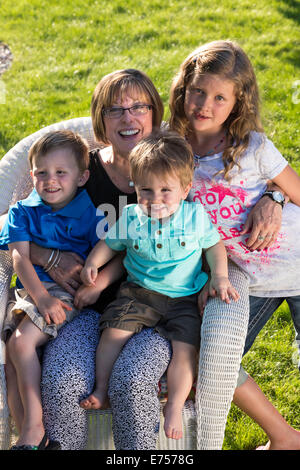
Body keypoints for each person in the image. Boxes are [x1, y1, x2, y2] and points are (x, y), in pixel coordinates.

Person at [0, 68, 293, 450]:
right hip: (84, 310)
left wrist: (275, 195)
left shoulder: (174, 164)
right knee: (62, 381)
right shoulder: (78, 172)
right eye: (114, 109)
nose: (128, 117)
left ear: (155, 114)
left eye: (139, 106)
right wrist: (49, 255)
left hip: (164, 305)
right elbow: (17, 218)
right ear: (100, 118)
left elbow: (246, 175)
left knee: (134, 380)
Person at [169, 39, 300, 450]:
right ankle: (285, 437)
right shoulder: (173, 151)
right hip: (247, 278)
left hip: (296, 265)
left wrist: (274, 196)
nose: (205, 104)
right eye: (198, 92)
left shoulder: (253, 147)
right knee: (214, 364)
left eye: (220, 97)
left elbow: (296, 191)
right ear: (183, 90)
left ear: (237, 103)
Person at [79, 130, 239, 440]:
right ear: (134, 187)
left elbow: (214, 247)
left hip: (184, 296)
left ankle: (174, 406)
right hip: (139, 292)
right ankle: (102, 388)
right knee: (113, 332)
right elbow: (111, 245)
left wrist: (220, 277)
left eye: (166, 190)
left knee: (185, 350)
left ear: (185, 189)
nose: (155, 200)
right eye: (146, 190)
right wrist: (92, 263)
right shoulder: (131, 217)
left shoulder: (194, 217)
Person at [0, 130, 117, 449]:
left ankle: (34, 429)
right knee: (11, 356)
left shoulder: (90, 214)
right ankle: (29, 436)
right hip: (32, 294)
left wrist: (90, 283)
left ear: (82, 177)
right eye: (41, 172)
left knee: (23, 347)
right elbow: (20, 257)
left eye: (60, 173)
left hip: (62, 295)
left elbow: (109, 252)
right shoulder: (23, 211)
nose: (50, 181)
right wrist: (41, 297)